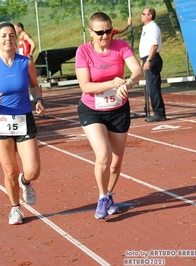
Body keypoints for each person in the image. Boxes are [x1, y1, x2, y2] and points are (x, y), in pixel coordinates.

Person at [75, 12, 143, 219]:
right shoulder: (83, 51)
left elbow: (137, 70)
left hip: (118, 109)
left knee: (115, 161)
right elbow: (85, 86)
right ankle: (102, 197)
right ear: (90, 32)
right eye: (100, 32)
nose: (105, 36)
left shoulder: (121, 46)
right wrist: (112, 83)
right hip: (92, 109)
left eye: (108, 31)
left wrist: (128, 83)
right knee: (103, 154)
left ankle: (110, 194)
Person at [0, 22, 45, 225]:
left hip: (24, 117)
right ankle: (15, 208)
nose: (8, 39)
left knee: (33, 169)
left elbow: (34, 86)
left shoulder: (26, 63)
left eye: (12, 36)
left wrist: (39, 100)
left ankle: (26, 181)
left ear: (16, 39)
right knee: (10, 170)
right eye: (4, 36)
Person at [139, 7, 166, 122]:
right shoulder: (146, 28)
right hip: (148, 58)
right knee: (151, 87)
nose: (141, 15)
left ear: (150, 16)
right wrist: (143, 59)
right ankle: (158, 112)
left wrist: (149, 60)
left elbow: (154, 46)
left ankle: (159, 113)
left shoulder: (153, 27)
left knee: (153, 87)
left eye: (143, 14)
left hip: (153, 59)